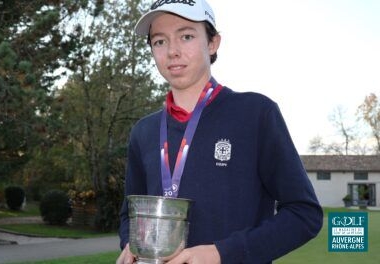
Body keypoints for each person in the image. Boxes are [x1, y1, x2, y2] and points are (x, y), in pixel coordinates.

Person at [117, 0, 323, 263]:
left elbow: (304, 214)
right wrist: (130, 243)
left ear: (213, 43)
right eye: (159, 41)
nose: (172, 51)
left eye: (187, 36)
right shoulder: (143, 131)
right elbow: (129, 215)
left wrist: (222, 253)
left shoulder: (256, 114)